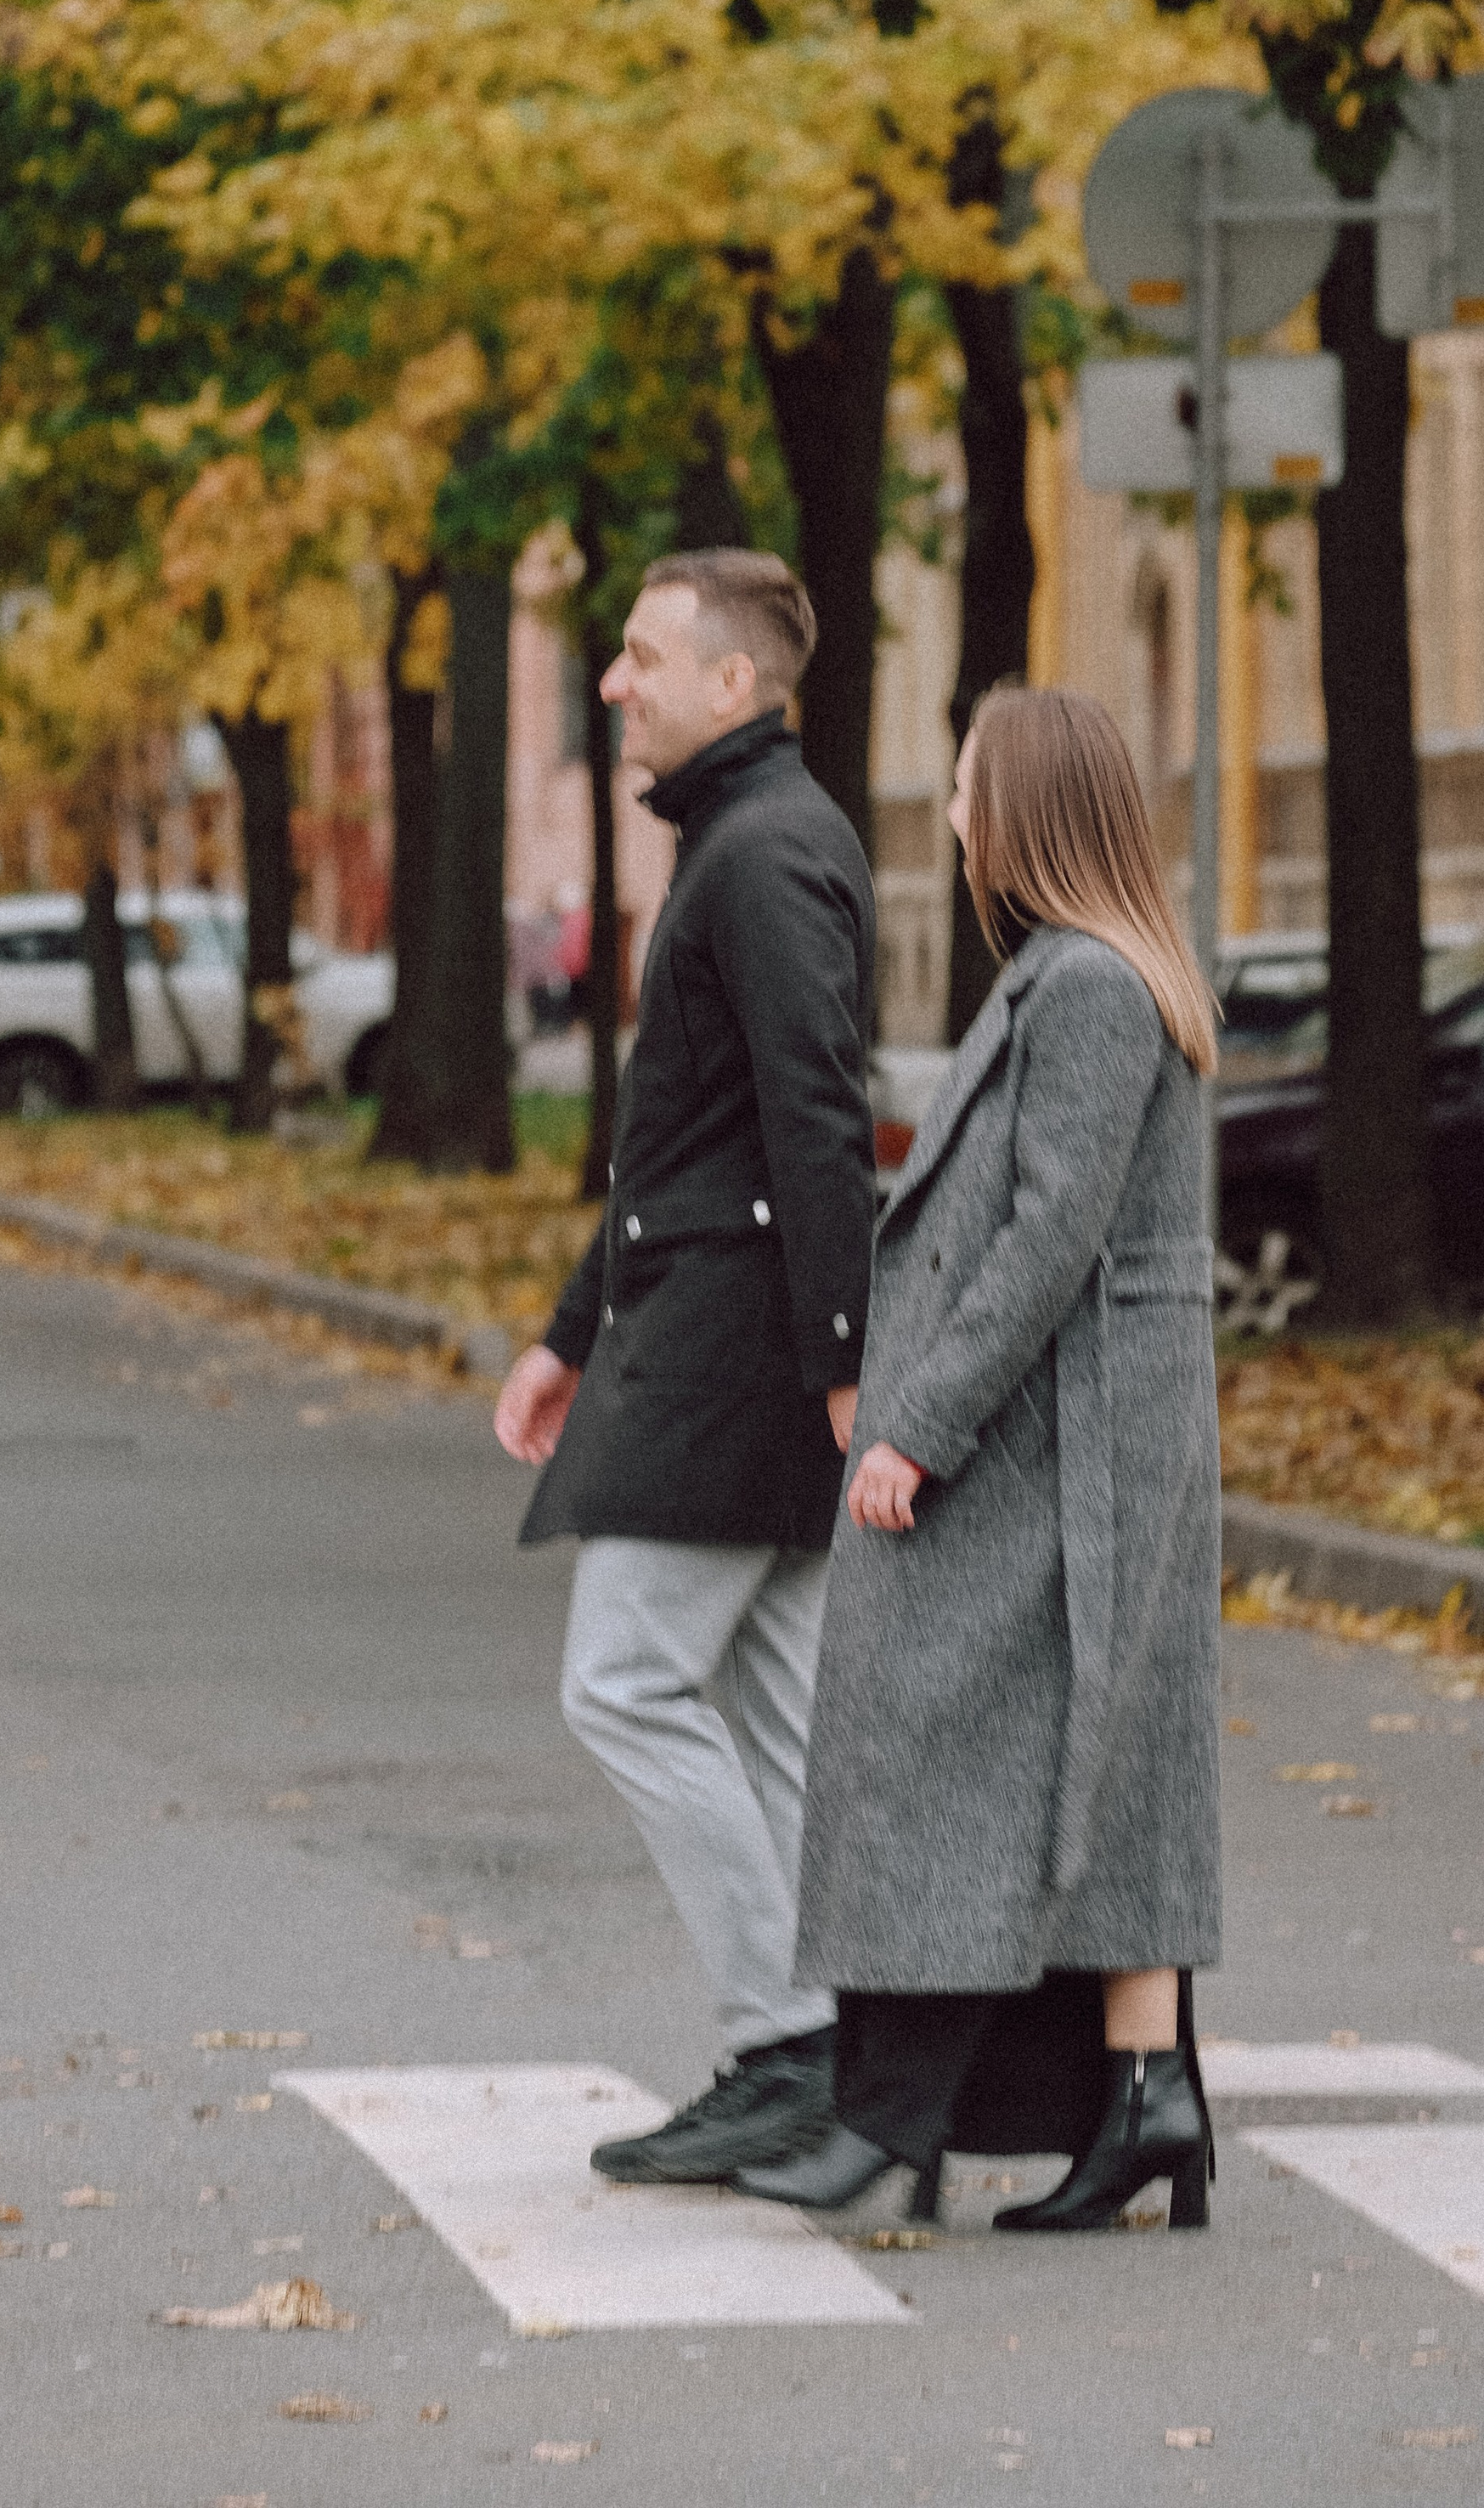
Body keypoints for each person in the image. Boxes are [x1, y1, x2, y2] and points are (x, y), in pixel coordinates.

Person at [735, 683, 1223, 2232]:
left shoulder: (1083, 986)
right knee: (1113, 1753)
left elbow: (1047, 1235)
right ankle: (1143, 2095)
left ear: (1024, 812)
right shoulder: (1087, 972)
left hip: (1059, 1435)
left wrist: (916, 1435)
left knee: (927, 1726)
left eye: (962, 790)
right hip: (1093, 1424)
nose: (948, 816)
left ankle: (901, 2109)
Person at [493, 551, 877, 2184]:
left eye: (642, 656)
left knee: (628, 1681)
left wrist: (850, 1363)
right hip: (715, 1335)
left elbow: (816, 1117)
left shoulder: (769, 853)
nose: (612, 682)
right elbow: (688, 1141)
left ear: (736, 685)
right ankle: (821, 2040)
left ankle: (789, 2040)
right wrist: (568, 1333)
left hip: (739, 1357)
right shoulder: (741, 841)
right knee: (771, 1703)